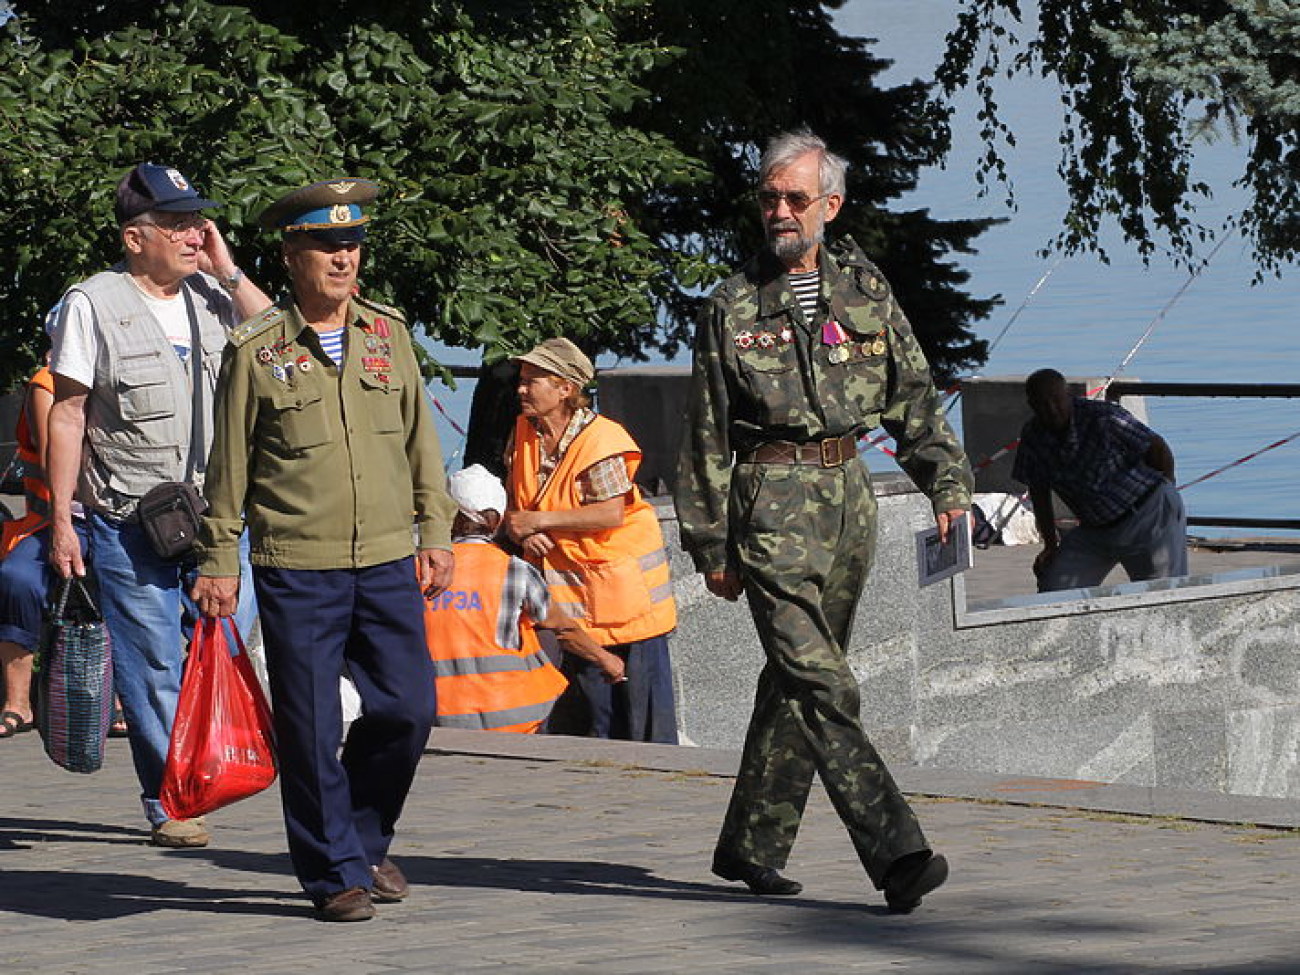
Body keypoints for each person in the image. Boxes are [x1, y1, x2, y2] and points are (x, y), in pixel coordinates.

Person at [673, 129, 972, 912]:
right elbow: (704, 430)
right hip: (769, 508)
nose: (779, 211)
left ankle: (750, 844)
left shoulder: (866, 290)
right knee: (824, 681)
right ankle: (897, 851)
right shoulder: (732, 304)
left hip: (848, 503)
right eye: (769, 197)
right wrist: (709, 542)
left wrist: (947, 488)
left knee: (796, 684)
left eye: (794, 198)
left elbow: (913, 399)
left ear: (829, 205)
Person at [191, 177, 456, 923]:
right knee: (309, 730)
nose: (344, 258)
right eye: (327, 245)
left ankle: (364, 838)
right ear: (291, 253)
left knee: (408, 707)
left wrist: (435, 531)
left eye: (352, 243)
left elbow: (420, 444)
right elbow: (229, 468)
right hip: (296, 564)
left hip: (383, 559)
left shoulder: (387, 334)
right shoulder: (257, 350)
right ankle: (332, 870)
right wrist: (218, 558)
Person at [45, 163, 272, 848]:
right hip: (127, 518)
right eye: (176, 223)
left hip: (217, 515)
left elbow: (277, 343)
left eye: (197, 220)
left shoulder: (211, 292)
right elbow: (68, 415)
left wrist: (229, 270)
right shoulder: (93, 301)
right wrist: (62, 519)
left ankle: (201, 770)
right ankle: (171, 796)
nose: (193, 233)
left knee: (227, 641)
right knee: (152, 666)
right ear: (134, 236)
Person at [502, 338, 679, 744]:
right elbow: (517, 508)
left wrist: (540, 521)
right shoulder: (523, 433)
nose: (522, 389)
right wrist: (522, 528)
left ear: (565, 388)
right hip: (569, 607)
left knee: (641, 726)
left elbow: (610, 512)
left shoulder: (602, 441)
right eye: (522, 380)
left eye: (533, 381)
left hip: (625, 603)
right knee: (586, 724)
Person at [426, 465, 625, 734]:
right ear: (496, 523)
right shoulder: (514, 570)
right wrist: (607, 660)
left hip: (437, 717)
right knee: (543, 633)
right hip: (515, 718)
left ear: (451, 517)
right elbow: (564, 629)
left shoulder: (420, 569)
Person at [1013, 368, 1188, 592]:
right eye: (1042, 404)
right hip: (1094, 529)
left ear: (1069, 396)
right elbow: (1038, 490)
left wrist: (1167, 491)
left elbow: (1157, 448)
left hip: (1146, 514)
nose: (1052, 410)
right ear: (1032, 405)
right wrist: (1050, 543)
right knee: (1054, 587)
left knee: (1161, 592)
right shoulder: (1032, 436)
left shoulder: (1103, 417)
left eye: (1057, 401)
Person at [0, 361, 65, 738]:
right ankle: (18, 703)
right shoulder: (47, 382)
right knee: (17, 578)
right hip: (46, 523)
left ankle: (120, 697)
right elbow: (50, 457)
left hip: (111, 520)